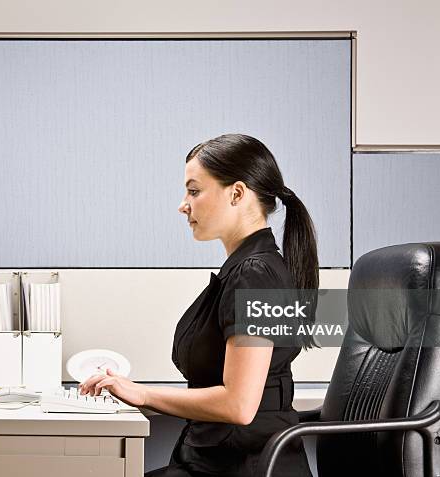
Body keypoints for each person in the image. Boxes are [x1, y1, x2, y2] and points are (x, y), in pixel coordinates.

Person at [79, 134, 319, 476]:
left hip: (242, 467)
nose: (183, 204)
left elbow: (239, 405)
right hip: (223, 460)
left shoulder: (255, 275)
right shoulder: (247, 269)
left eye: (194, 191)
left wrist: (142, 394)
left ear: (236, 193)